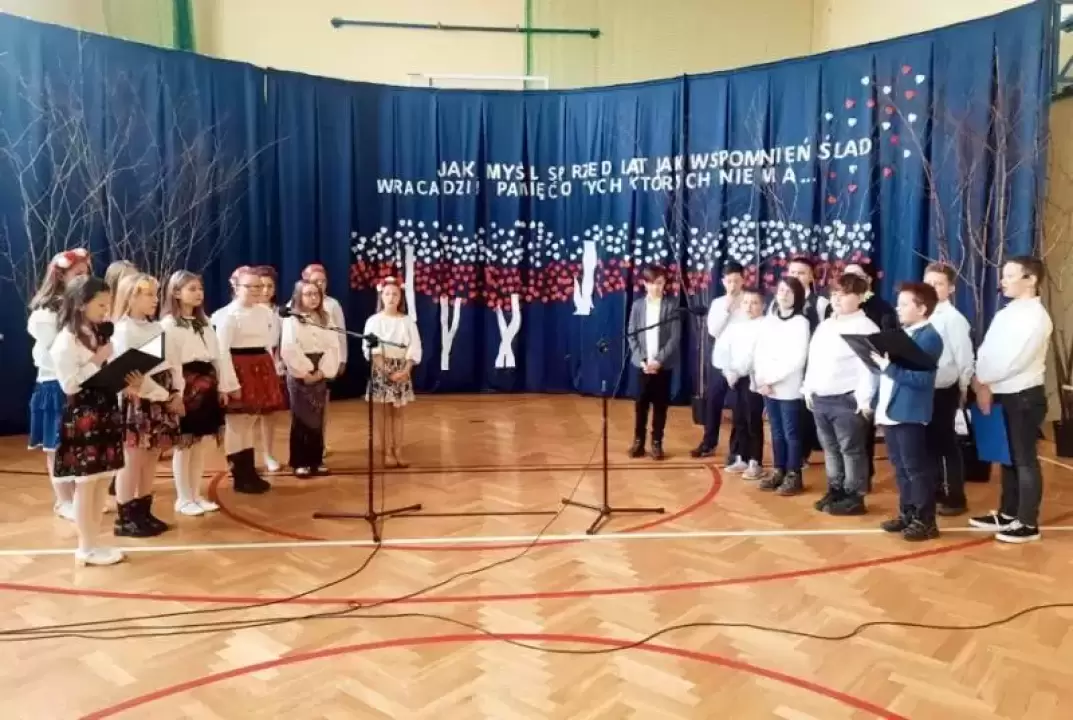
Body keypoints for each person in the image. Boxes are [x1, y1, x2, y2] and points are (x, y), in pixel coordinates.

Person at [51, 275, 142, 566]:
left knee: (103, 481)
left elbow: (105, 375)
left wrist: (126, 378)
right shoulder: (65, 340)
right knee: (86, 484)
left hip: (105, 410)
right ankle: (85, 547)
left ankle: (95, 542)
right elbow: (70, 385)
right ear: (81, 304)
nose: (106, 311)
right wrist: (97, 359)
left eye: (107, 304)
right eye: (101, 305)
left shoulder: (98, 335)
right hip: (84, 416)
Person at [969, 256, 1052, 544]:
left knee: (1024, 459)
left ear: (1031, 280)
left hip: (1023, 396)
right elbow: (988, 350)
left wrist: (984, 380)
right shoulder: (1007, 312)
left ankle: (1027, 522)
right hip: (1000, 391)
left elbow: (1015, 360)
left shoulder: (1037, 318)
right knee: (1007, 457)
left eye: (1010, 276)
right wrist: (979, 380)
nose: (1002, 281)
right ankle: (1008, 513)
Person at [161, 271, 240, 516]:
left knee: (200, 444)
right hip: (186, 382)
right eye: (192, 289)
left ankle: (195, 494)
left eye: (200, 289)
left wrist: (222, 387)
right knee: (185, 443)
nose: (198, 293)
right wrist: (176, 392)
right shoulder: (168, 324)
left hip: (207, 380)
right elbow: (171, 361)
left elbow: (217, 355)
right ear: (176, 293)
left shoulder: (204, 322)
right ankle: (183, 497)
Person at [871, 282, 945, 542]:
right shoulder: (902, 334)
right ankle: (908, 513)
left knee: (916, 468)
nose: (898, 308)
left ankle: (926, 520)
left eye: (904, 304)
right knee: (901, 467)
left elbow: (922, 379)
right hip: (892, 409)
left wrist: (887, 367)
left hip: (910, 411)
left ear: (922, 309)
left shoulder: (929, 337)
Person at [111, 273, 182, 537]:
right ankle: (125, 516)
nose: (155, 299)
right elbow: (129, 378)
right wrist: (161, 393)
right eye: (149, 294)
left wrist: (177, 392)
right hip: (139, 400)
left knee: (151, 456)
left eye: (156, 294)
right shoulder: (122, 330)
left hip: (161, 395)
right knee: (133, 459)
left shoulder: (158, 328)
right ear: (131, 297)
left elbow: (174, 363)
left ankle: (143, 510)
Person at [802, 273, 879, 516]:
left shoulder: (866, 327)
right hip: (821, 397)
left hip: (847, 400)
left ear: (860, 297)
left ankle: (854, 496)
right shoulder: (826, 325)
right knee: (831, 449)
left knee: (851, 450)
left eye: (844, 294)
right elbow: (814, 359)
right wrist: (808, 388)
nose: (836, 299)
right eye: (834, 294)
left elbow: (870, 369)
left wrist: (864, 400)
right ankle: (836, 489)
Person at [26, 248, 91, 521]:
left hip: (81, 380)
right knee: (57, 445)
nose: (84, 278)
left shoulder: (84, 306)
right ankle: (64, 501)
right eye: (78, 273)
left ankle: (81, 498)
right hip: (55, 383)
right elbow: (56, 350)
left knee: (78, 444)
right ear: (61, 276)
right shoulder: (46, 313)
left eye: (87, 273)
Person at [215, 266, 287, 493]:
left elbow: (268, 344)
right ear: (236, 287)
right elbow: (222, 351)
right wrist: (230, 383)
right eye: (250, 286)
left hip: (260, 367)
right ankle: (239, 473)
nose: (256, 290)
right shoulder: (227, 315)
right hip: (239, 367)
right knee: (237, 424)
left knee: (250, 421)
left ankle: (249, 470)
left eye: (259, 286)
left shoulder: (265, 313)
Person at [922, 262, 976, 515]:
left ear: (951, 288)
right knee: (928, 443)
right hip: (924, 388)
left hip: (944, 389)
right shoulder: (923, 314)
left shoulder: (953, 319)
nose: (932, 287)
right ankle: (934, 490)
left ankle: (954, 496)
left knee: (946, 443)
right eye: (929, 282)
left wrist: (963, 386)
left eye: (939, 283)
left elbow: (964, 356)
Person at [753, 276, 811, 495]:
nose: (784, 295)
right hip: (768, 387)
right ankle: (779, 469)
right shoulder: (769, 321)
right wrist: (762, 379)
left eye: (789, 291)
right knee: (776, 431)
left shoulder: (801, 323)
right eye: (781, 290)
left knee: (791, 433)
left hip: (788, 387)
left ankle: (794, 474)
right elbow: (760, 352)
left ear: (797, 296)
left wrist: (771, 378)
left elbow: (797, 358)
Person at [841, 262, 896, 488]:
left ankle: (862, 479)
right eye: (846, 276)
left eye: (856, 276)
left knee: (862, 431)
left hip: (867, 377)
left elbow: (886, 343)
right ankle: (843, 478)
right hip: (840, 379)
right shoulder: (837, 308)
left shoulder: (881, 308)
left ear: (868, 280)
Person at [282, 280, 340, 476]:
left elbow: (333, 345)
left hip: (321, 369)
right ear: (299, 296)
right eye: (308, 294)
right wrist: (305, 371)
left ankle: (316, 460)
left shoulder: (325, 317)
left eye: (316, 294)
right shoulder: (292, 318)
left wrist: (322, 371)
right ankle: (300, 461)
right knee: (301, 418)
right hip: (301, 371)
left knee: (317, 417)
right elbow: (289, 347)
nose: (313, 298)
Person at [363, 277, 422, 468]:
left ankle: (398, 451)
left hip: (402, 369)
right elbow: (372, 350)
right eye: (387, 294)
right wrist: (388, 372)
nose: (391, 297)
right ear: (381, 296)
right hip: (382, 369)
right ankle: (386, 451)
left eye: (395, 294)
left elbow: (414, 346)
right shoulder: (374, 321)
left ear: (400, 297)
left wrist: (405, 370)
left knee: (398, 414)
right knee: (383, 414)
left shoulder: (407, 321)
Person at [691, 261, 747, 462]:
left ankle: (736, 449)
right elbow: (714, 331)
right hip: (720, 362)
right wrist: (727, 308)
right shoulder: (717, 303)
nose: (733, 285)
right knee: (713, 402)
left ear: (743, 280)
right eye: (729, 281)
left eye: (736, 280)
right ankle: (708, 442)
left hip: (741, 364)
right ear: (723, 282)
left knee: (739, 408)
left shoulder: (749, 302)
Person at [626, 265, 680, 460]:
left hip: (663, 365)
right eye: (652, 283)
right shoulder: (638, 306)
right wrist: (642, 359)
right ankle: (638, 441)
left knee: (660, 405)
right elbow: (632, 333)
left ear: (664, 284)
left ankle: (657, 442)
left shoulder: (672, 305)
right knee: (641, 404)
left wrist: (658, 360)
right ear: (645, 284)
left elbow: (674, 337)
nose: (656, 287)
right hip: (642, 365)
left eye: (660, 283)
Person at [718, 289, 766, 480]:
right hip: (736, 379)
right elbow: (725, 350)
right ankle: (741, 457)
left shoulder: (765, 326)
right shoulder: (736, 326)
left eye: (754, 303)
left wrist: (740, 370)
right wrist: (729, 371)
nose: (749, 306)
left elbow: (757, 354)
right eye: (746, 302)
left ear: (762, 306)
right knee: (739, 419)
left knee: (753, 419)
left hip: (753, 378)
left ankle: (756, 461)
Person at [302, 264, 348, 453]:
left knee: (322, 404)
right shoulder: (295, 304)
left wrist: (342, 358)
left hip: (326, 361)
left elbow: (340, 332)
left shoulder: (332, 304)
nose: (320, 284)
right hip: (303, 362)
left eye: (323, 281)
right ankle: (305, 444)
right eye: (315, 281)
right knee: (303, 406)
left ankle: (321, 441)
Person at [253, 266, 285, 473]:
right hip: (251, 365)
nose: (265, 291)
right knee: (247, 416)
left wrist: (280, 361)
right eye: (261, 286)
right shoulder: (247, 311)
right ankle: (246, 456)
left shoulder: (279, 312)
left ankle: (268, 453)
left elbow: (283, 340)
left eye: (270, 286)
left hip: (273, 365)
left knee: (269, 414)